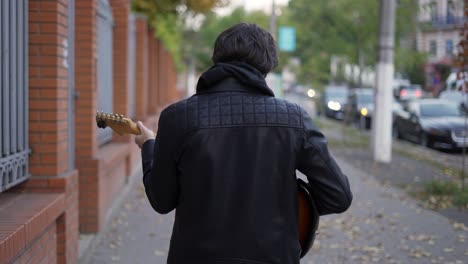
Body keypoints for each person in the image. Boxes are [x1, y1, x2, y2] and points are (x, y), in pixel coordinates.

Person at [134, 23, 352, 264]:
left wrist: (148, 147)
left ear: (217, 58)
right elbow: (338, 196)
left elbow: (162, 201)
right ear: (268, 64)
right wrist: (293, 207)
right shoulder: (293, 119)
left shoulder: (178, 117)